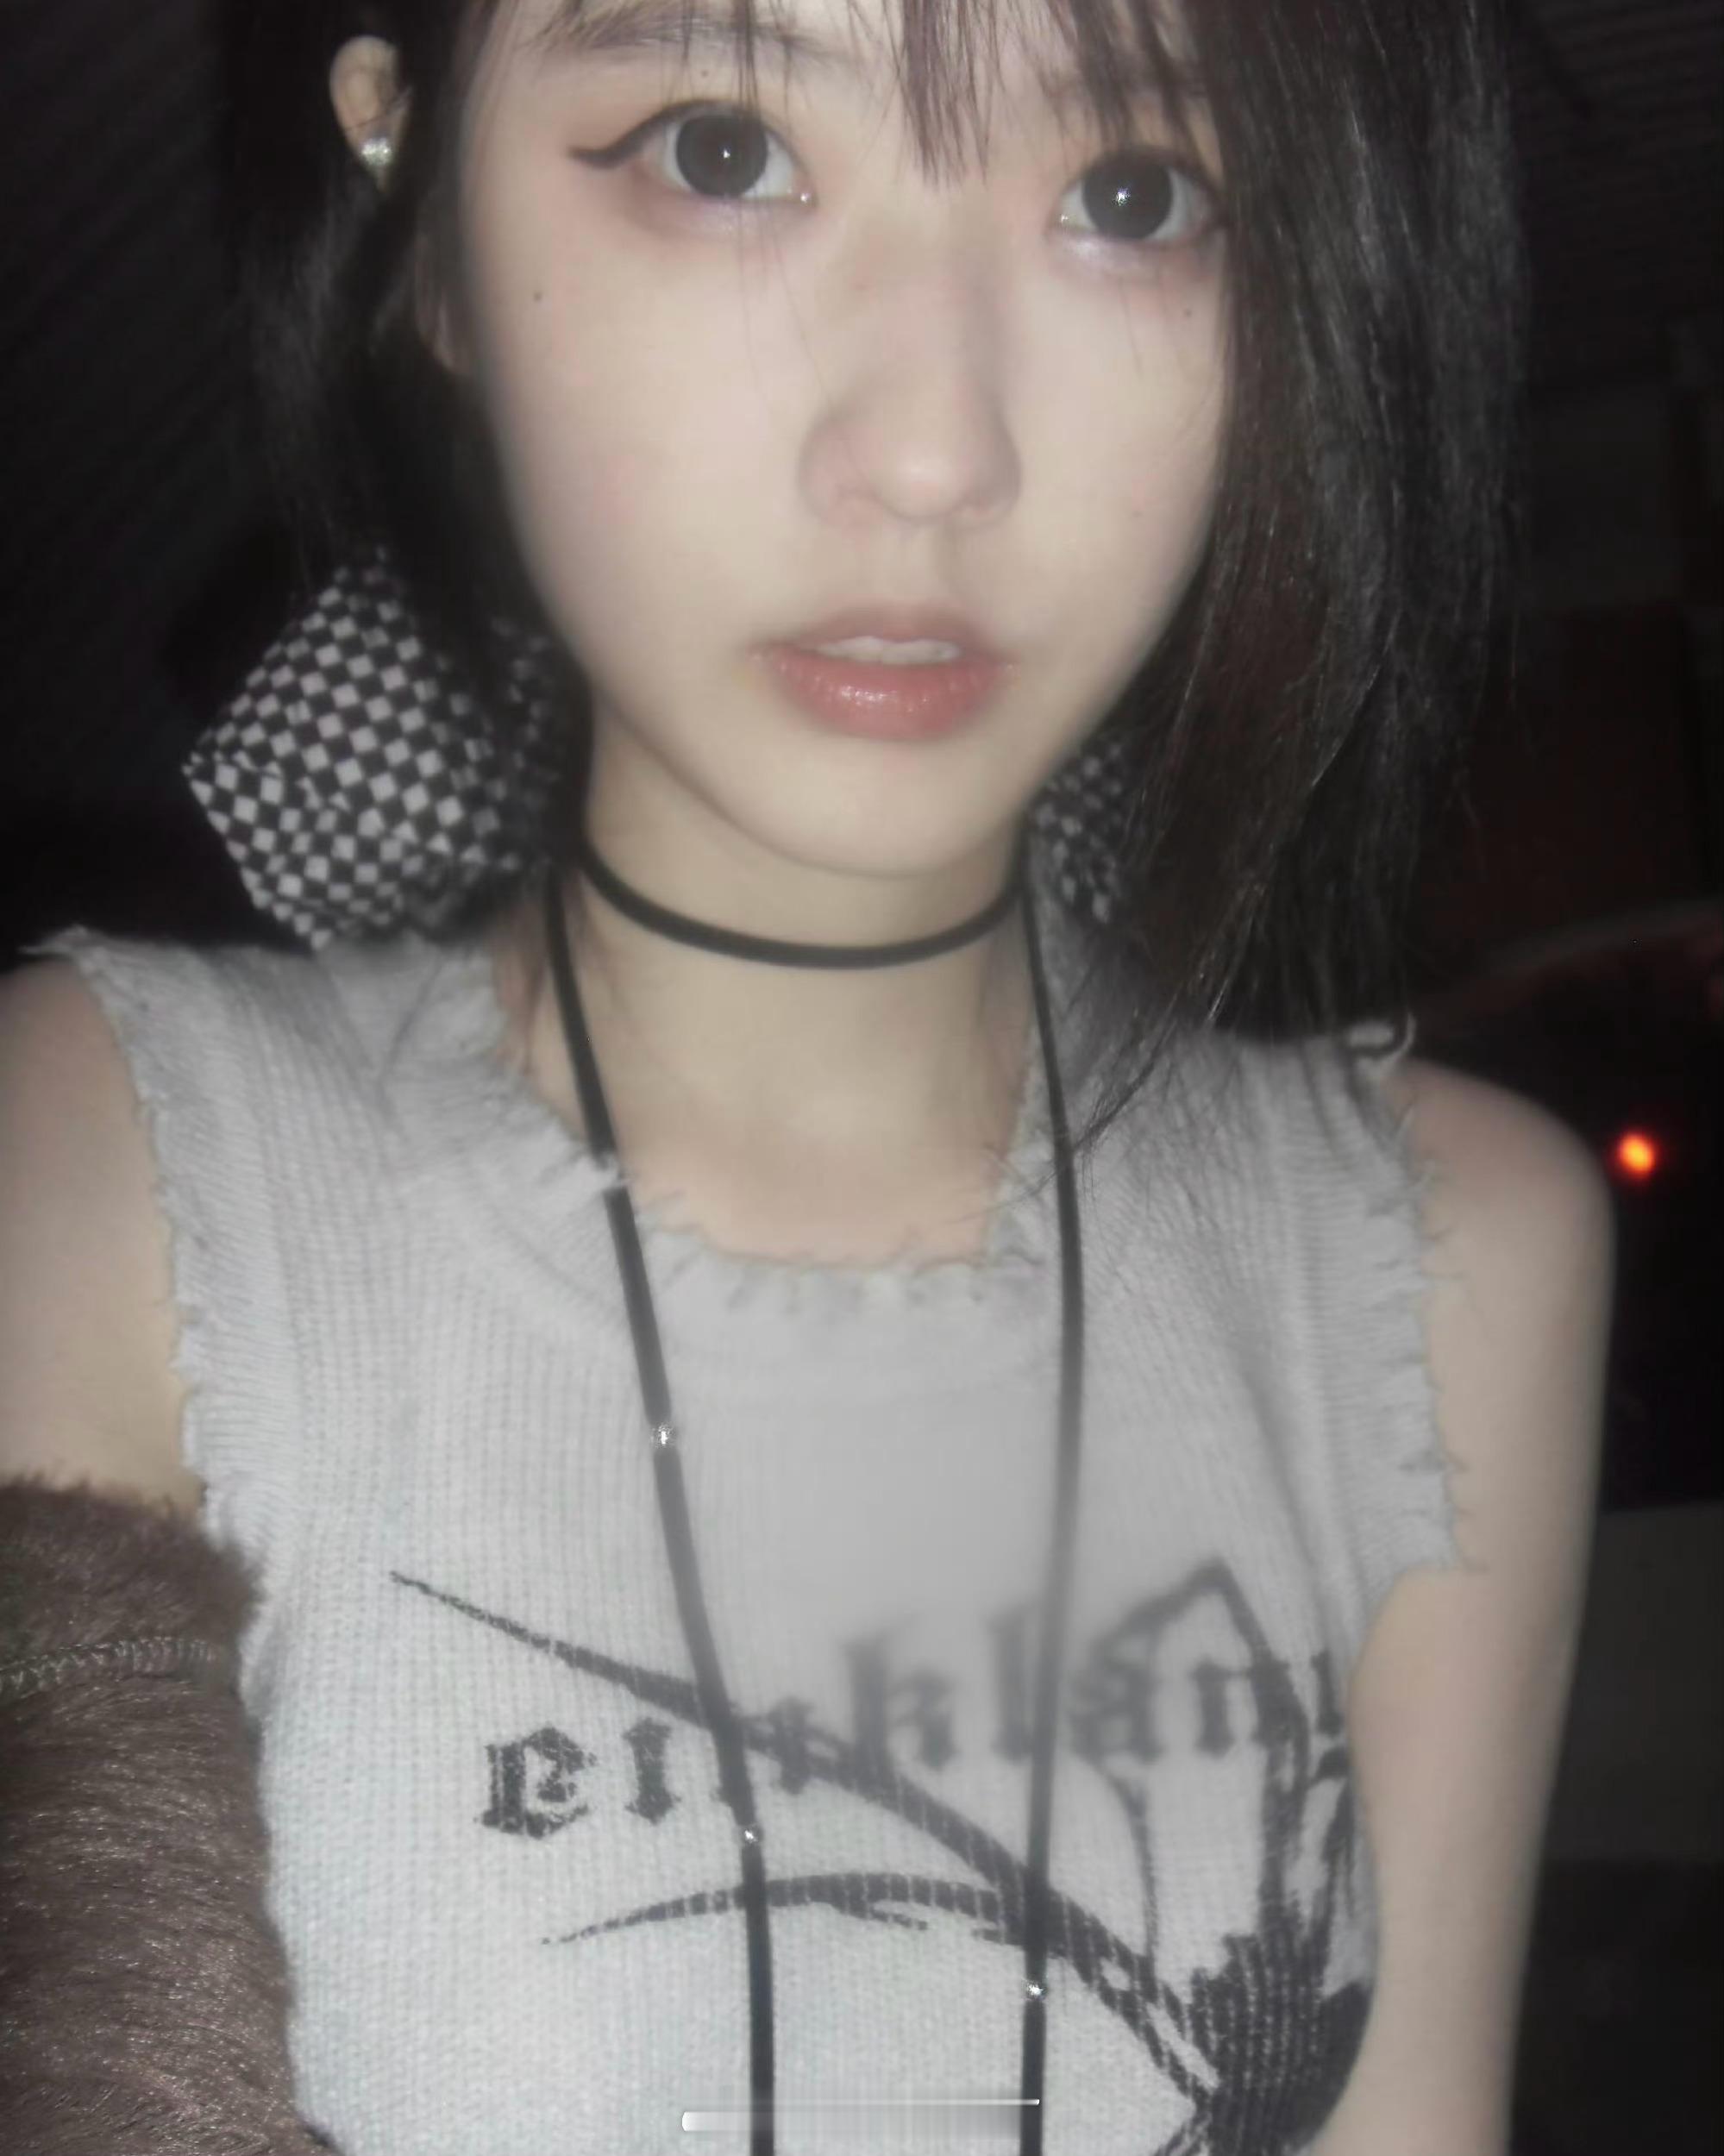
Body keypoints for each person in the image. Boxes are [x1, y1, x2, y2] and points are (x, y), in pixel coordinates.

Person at [0, 0, 1613, 2150]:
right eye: (722, 152)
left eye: (1131, 195)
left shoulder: (1439, 1256)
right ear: (425, 220)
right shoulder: (105, 1166)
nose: (932, 452)